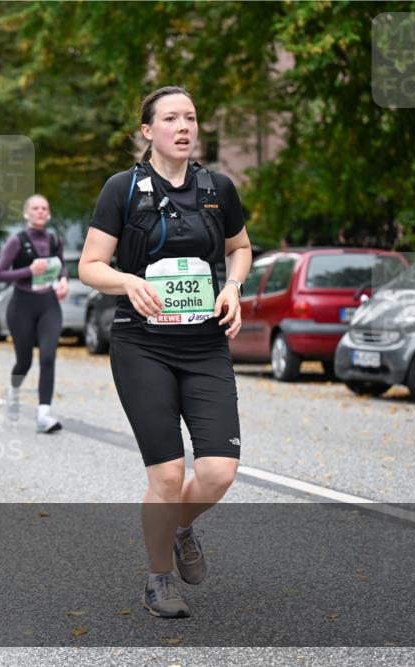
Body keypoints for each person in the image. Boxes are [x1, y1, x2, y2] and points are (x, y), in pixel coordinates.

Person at [78, 86, 253, 619]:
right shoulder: (122, 189)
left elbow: (240, 248)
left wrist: (234, 287)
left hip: (205, 346)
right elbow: (90, 266)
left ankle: (180, 527)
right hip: (142, 346)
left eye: (191, 118)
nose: (184, 126)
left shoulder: (217, 188)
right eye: (171, 118)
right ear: (148, 131)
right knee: (168, 474)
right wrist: (127, 281)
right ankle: (158, 578)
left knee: (220, 470)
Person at [0, 195, 69, 433]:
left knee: (48, 357)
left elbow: (62, 265)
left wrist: (64, 280)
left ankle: (44, 413)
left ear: (48, 214)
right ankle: (13, 391)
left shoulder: (54, 238)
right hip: (21, 306)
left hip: (48, 303)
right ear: (26, 213)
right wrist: (28, 270)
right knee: (24, 361)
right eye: (35, 208)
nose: (40, 211)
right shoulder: (17, 241)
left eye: (44, 208)